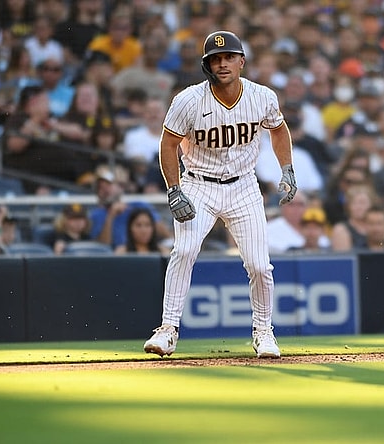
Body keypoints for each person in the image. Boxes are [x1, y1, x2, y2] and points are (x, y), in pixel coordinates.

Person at [143, 31, 298, 359]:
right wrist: (174, 190)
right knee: (183, 251)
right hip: (198, 184)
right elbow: (168, 144)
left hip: (243, 186)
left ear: (241, 61)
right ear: (207, 65)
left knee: (259, 265)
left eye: (228, 57)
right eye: (215, 58)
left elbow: (279, 129)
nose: (222, 63)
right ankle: (168, 329)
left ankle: (264, 331)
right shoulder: (188, 100)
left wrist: (286, 169)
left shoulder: (262, 96)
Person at [330, 185, 376, 251]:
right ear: (348, 206)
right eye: (354, 203)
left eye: (362, 203)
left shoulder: (379, 226)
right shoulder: (341, 229)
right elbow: (344, 258)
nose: (359, 207)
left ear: (371, 205)